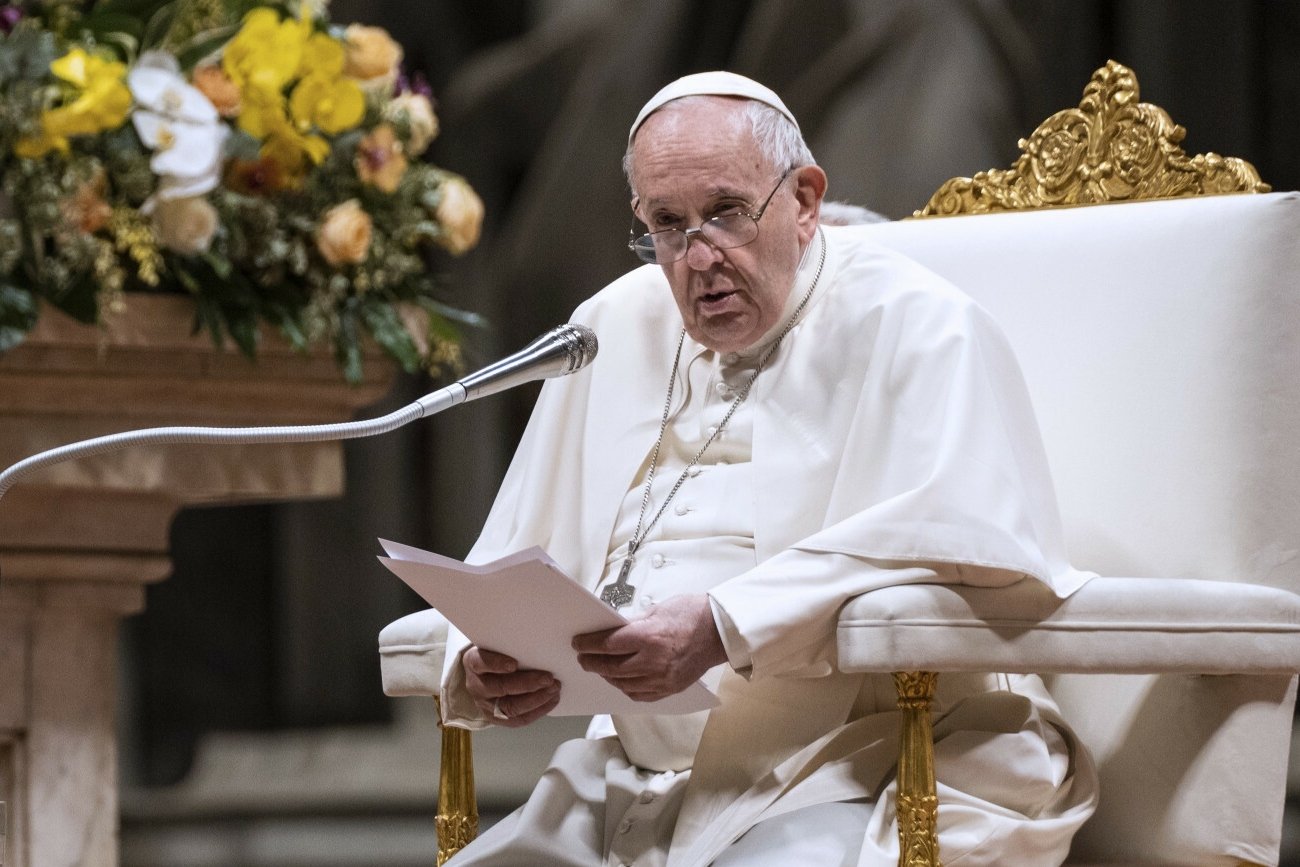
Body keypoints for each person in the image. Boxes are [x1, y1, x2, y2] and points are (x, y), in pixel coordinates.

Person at [438, 71, 1098, 866]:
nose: (698, 257)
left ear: (806, 200)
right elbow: (510, 554)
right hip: (635, 772)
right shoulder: (613, 324)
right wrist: (486, 661)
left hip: (866, 754)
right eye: (667, 225)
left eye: (725, 213)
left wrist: (723, 625)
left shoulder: (922, 325)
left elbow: (973, 537)